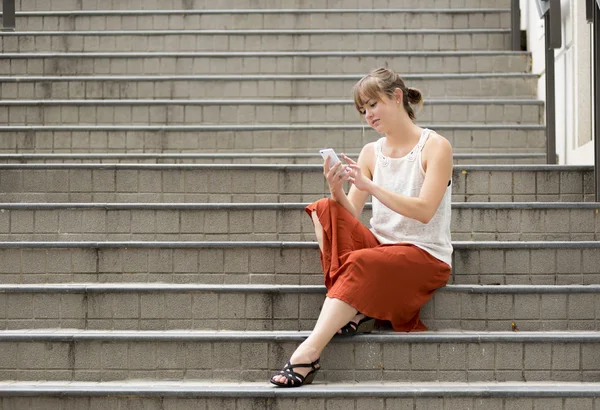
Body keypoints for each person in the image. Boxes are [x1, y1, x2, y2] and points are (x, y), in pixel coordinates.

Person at [270, 67, 453, 387]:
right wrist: (336, 188)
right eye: (363, 109)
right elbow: (351, 213)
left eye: (373, 105)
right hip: (380, 250)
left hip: (423, 254)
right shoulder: (371, 151)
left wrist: (371, 186)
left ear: (397, 98)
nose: (368, 115)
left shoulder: (435, 146)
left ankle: (308, 353)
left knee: (360, 261)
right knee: (325, 209)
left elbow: (424, 211)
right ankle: (356, 304)